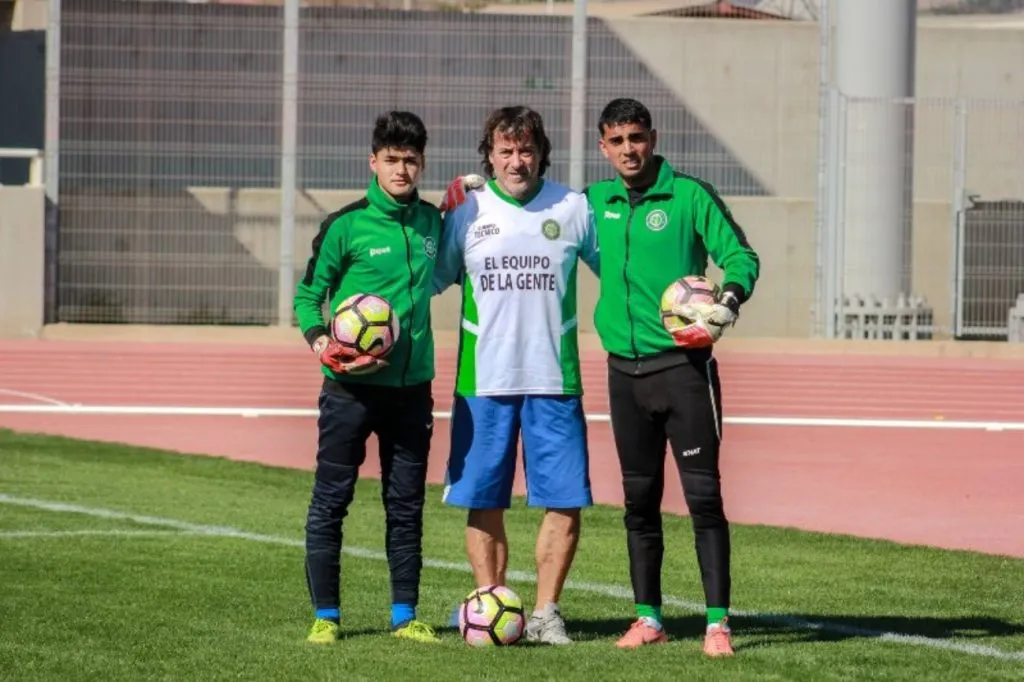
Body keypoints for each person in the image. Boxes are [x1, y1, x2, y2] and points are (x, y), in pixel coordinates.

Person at [585, 97, 760, 655]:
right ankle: (649, 618)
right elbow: (533, 211)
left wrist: (727, 303)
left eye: (636, 138)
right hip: (624, 375)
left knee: (704, 499)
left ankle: (717, 625)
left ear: (653, 139)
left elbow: (741, 256)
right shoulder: (595, 202)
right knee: (639, 503)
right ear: (603, 148)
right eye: (617, 141)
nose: (628, 149)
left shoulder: (689, 196)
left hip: (684, 371)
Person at [432, 105, 600, 645]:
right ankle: (490, 604)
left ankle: (548, 613)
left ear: (541, 153)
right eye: (505, 151)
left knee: (564, 499)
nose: (516, 161)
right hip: (484, 381)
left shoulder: (574, 208)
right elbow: (432, 277)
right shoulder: (467, 210)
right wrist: (435, 215)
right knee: (484, 499)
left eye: (526, 150)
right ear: (489, 155)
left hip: (555, 378)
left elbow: (617, 270)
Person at [293, 110, 443, 645]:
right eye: (392, 160)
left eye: (411, 161)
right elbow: (309, 296)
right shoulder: (345, 225)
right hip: (349, 391)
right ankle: (326, 617)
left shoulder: (432, 222)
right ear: (373, 161)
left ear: (420, 163)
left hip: (411, 392)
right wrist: (322, 344)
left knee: (405, 505)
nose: (401, 170)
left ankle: (405, 617)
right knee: (331, 499)